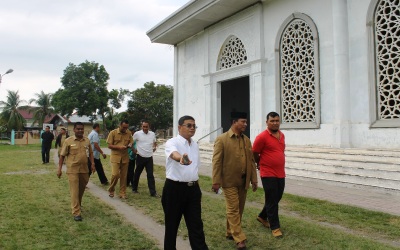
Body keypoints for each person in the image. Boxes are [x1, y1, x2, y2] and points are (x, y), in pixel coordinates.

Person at [212, 112, 258, 250]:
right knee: (233, 209)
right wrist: (216, 181)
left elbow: (251, 161)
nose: (245, 124)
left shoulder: (246, 140)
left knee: (239, 209)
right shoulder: (222, 139)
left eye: (246, 122)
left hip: (243, 182)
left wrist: (254, 180)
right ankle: (239, 238)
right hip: (229, 181)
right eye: (243, 122)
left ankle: (229, 232)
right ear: (234, 122)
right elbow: (216, 161)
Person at [162, 115, 208, 250]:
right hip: (174, 189)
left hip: (193, 190)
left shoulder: (195, 145)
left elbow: (196, 167)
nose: (192, 128)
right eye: (189, 125)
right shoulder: (172, 142)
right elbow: (173, 154)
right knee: (172, 226)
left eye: (194, 126)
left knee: (196, 226)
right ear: (179, 127)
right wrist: (180, 158)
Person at [252, 112, 286, 238]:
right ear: (267, 122)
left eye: (277, 120)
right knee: (272, 199)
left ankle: (262, 216)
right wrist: (259, 163)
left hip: (280, 172)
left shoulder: (282, 135)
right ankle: (275, 227)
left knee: (277, 197)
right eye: (272, 121)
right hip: (267, 172)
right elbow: (255, 152)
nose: (275, 122)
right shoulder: (262, 137)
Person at [57, 122, 95, 221]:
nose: (80, 130)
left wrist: (93, 164)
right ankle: (76, 212)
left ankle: (78, 204)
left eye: (81, 129)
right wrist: (59, 168)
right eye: (78, 129)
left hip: (84, 169)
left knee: (81, 189)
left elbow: (90, 153)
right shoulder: (68, 141)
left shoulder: (86, 140)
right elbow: (62, 155)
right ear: (74, 130)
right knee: (74, 190)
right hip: (72, 169)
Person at [131, 120, 159, 197]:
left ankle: (153, 192)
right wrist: (134, 150)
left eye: (146, 126)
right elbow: (131, 143)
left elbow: (154, 142)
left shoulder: (152, 134)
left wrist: (154, 147)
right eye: (144, 126)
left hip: (149, 157)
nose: (145, 128)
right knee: (137, 173)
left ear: (149, 127)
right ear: (141, 126)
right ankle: (134, 188)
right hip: (140, 156)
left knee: (150, 175)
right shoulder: (137, 134)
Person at [107, 120, 133, 199]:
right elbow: (109, 145)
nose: (125, 129)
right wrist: (119, 147)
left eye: (127, 127)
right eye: (124, 127)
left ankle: (122, 193)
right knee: (115, 174)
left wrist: (130, 144)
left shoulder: (128, 133)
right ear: (120, 125)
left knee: (124, 176)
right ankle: (111, 189)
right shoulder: (113, 133)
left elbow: (131, 141)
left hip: (125, 157)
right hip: (115, 157)